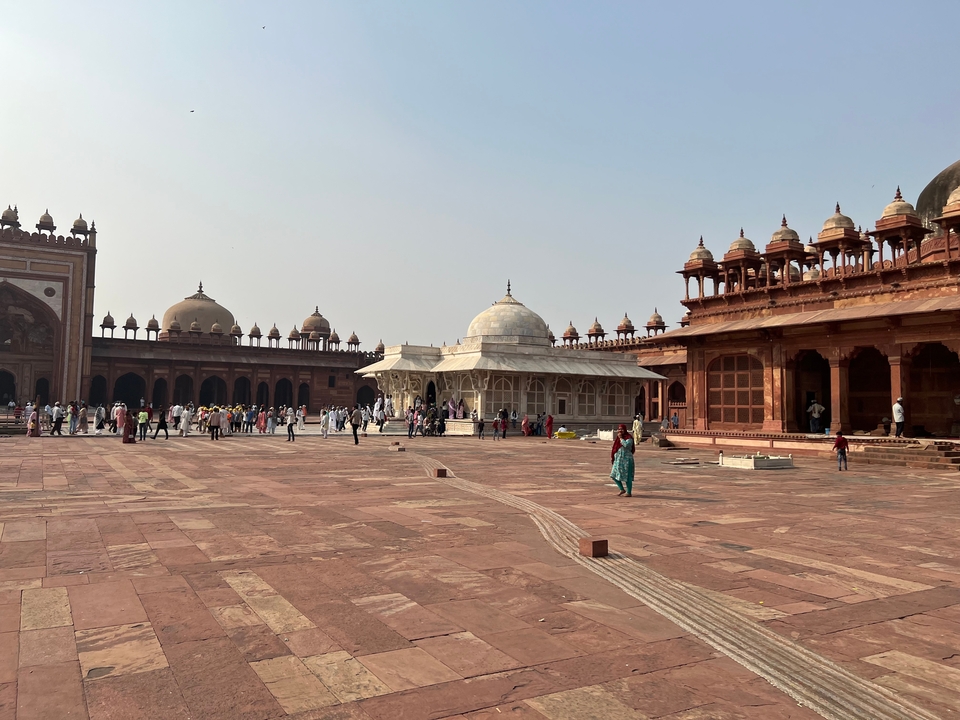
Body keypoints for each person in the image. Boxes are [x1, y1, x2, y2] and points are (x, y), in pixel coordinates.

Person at [610, 423, 635, 497]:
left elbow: (626, 445)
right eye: (619, 429)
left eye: (622, 429)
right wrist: (614, 457)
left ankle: (629, 492)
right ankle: (621, 489)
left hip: (627, 459)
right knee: (613, 475)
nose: (620, 431)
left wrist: (621, 438)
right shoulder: (618, 439)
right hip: (619, 459)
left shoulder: (628, 438)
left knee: (627, 477)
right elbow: (615, 448)